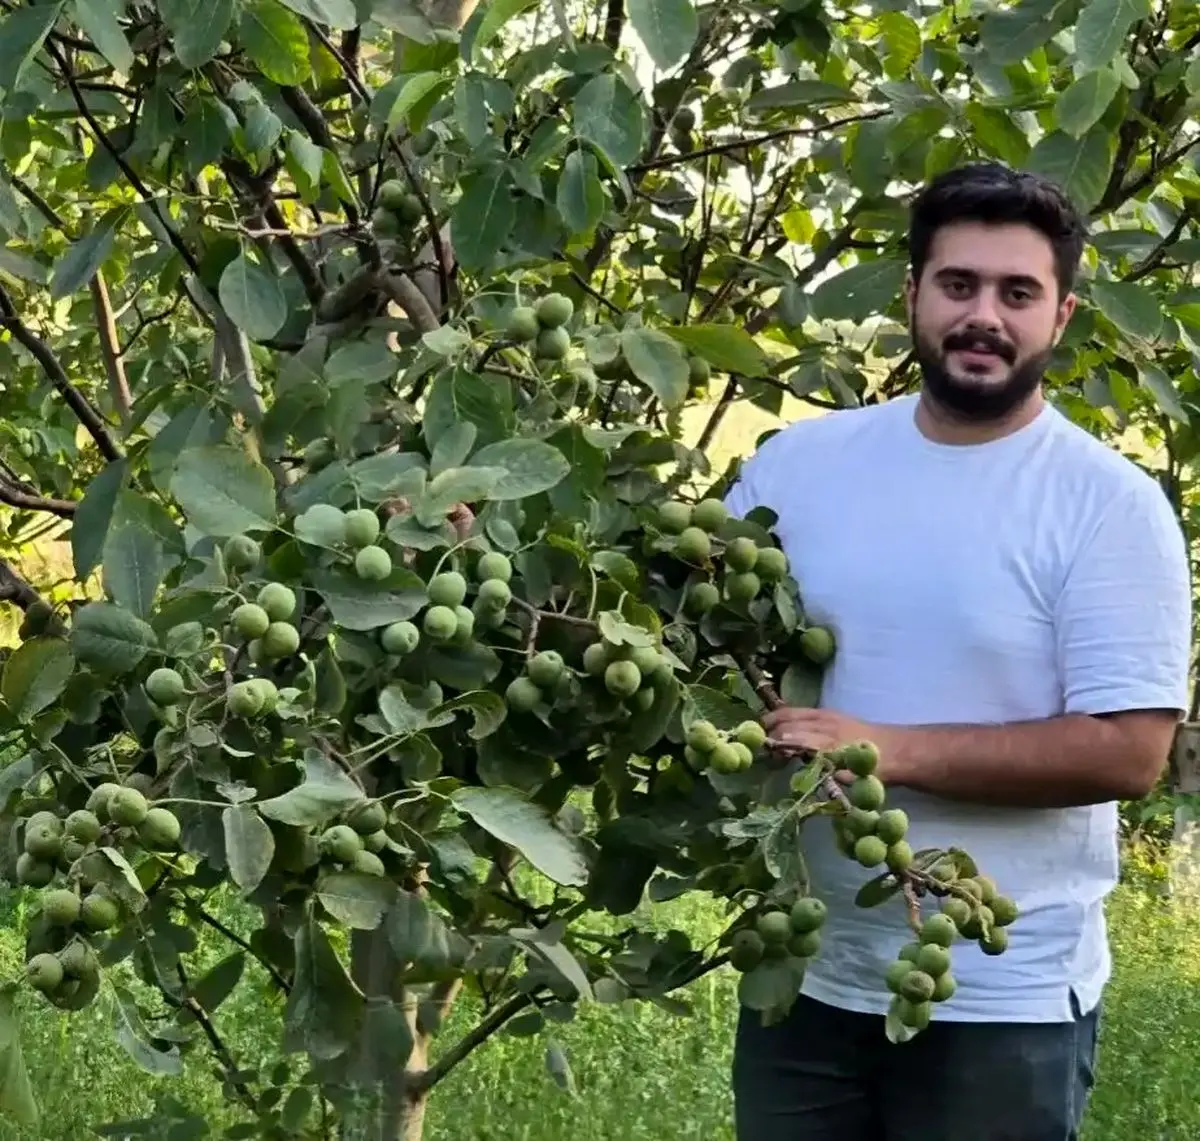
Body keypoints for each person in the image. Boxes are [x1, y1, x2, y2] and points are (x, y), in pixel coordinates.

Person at [722, 162, 1193, 1141]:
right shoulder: (798, 467)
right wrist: (488, 544)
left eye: (1017, 292)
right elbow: (689, 616)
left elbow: (1128, 751)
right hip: (804, 976)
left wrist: (885, 747)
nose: (984, 315)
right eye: (959, 284)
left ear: (1060, 315)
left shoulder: (1108, 505)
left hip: (999, 1002)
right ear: (912, 296)